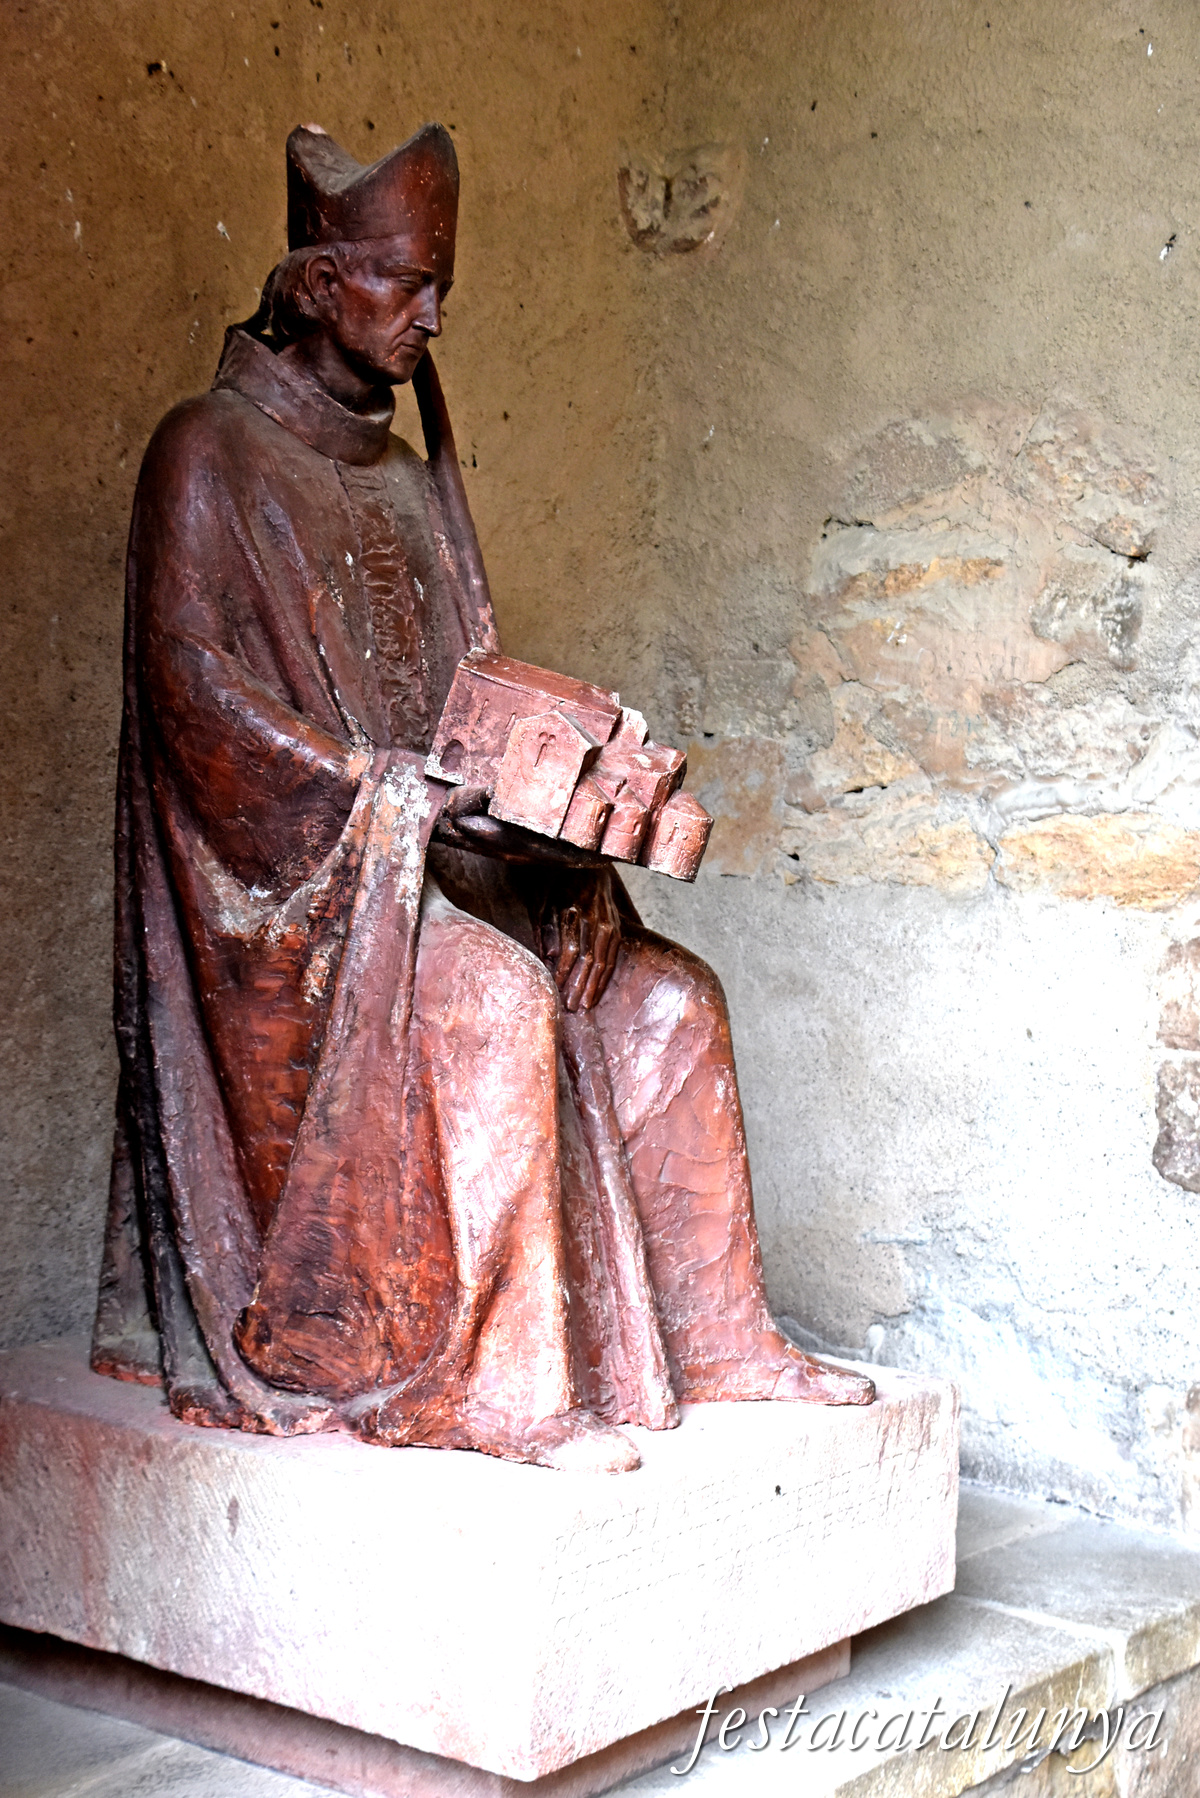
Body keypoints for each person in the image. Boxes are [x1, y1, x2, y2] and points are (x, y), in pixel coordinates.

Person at [91, 121, 874, 1473]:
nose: (432, 313)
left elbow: (470, 700)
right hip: (306, 920)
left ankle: (718, 1329)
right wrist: (390, 803)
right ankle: (508, 1391)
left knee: (672, 1005)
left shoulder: (401, 477)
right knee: (498, 1006)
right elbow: (198, 714)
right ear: (320, 284)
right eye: (406, 282)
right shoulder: (204, 456)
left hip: (439, 868)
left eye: (439, 282)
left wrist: (561, 822)